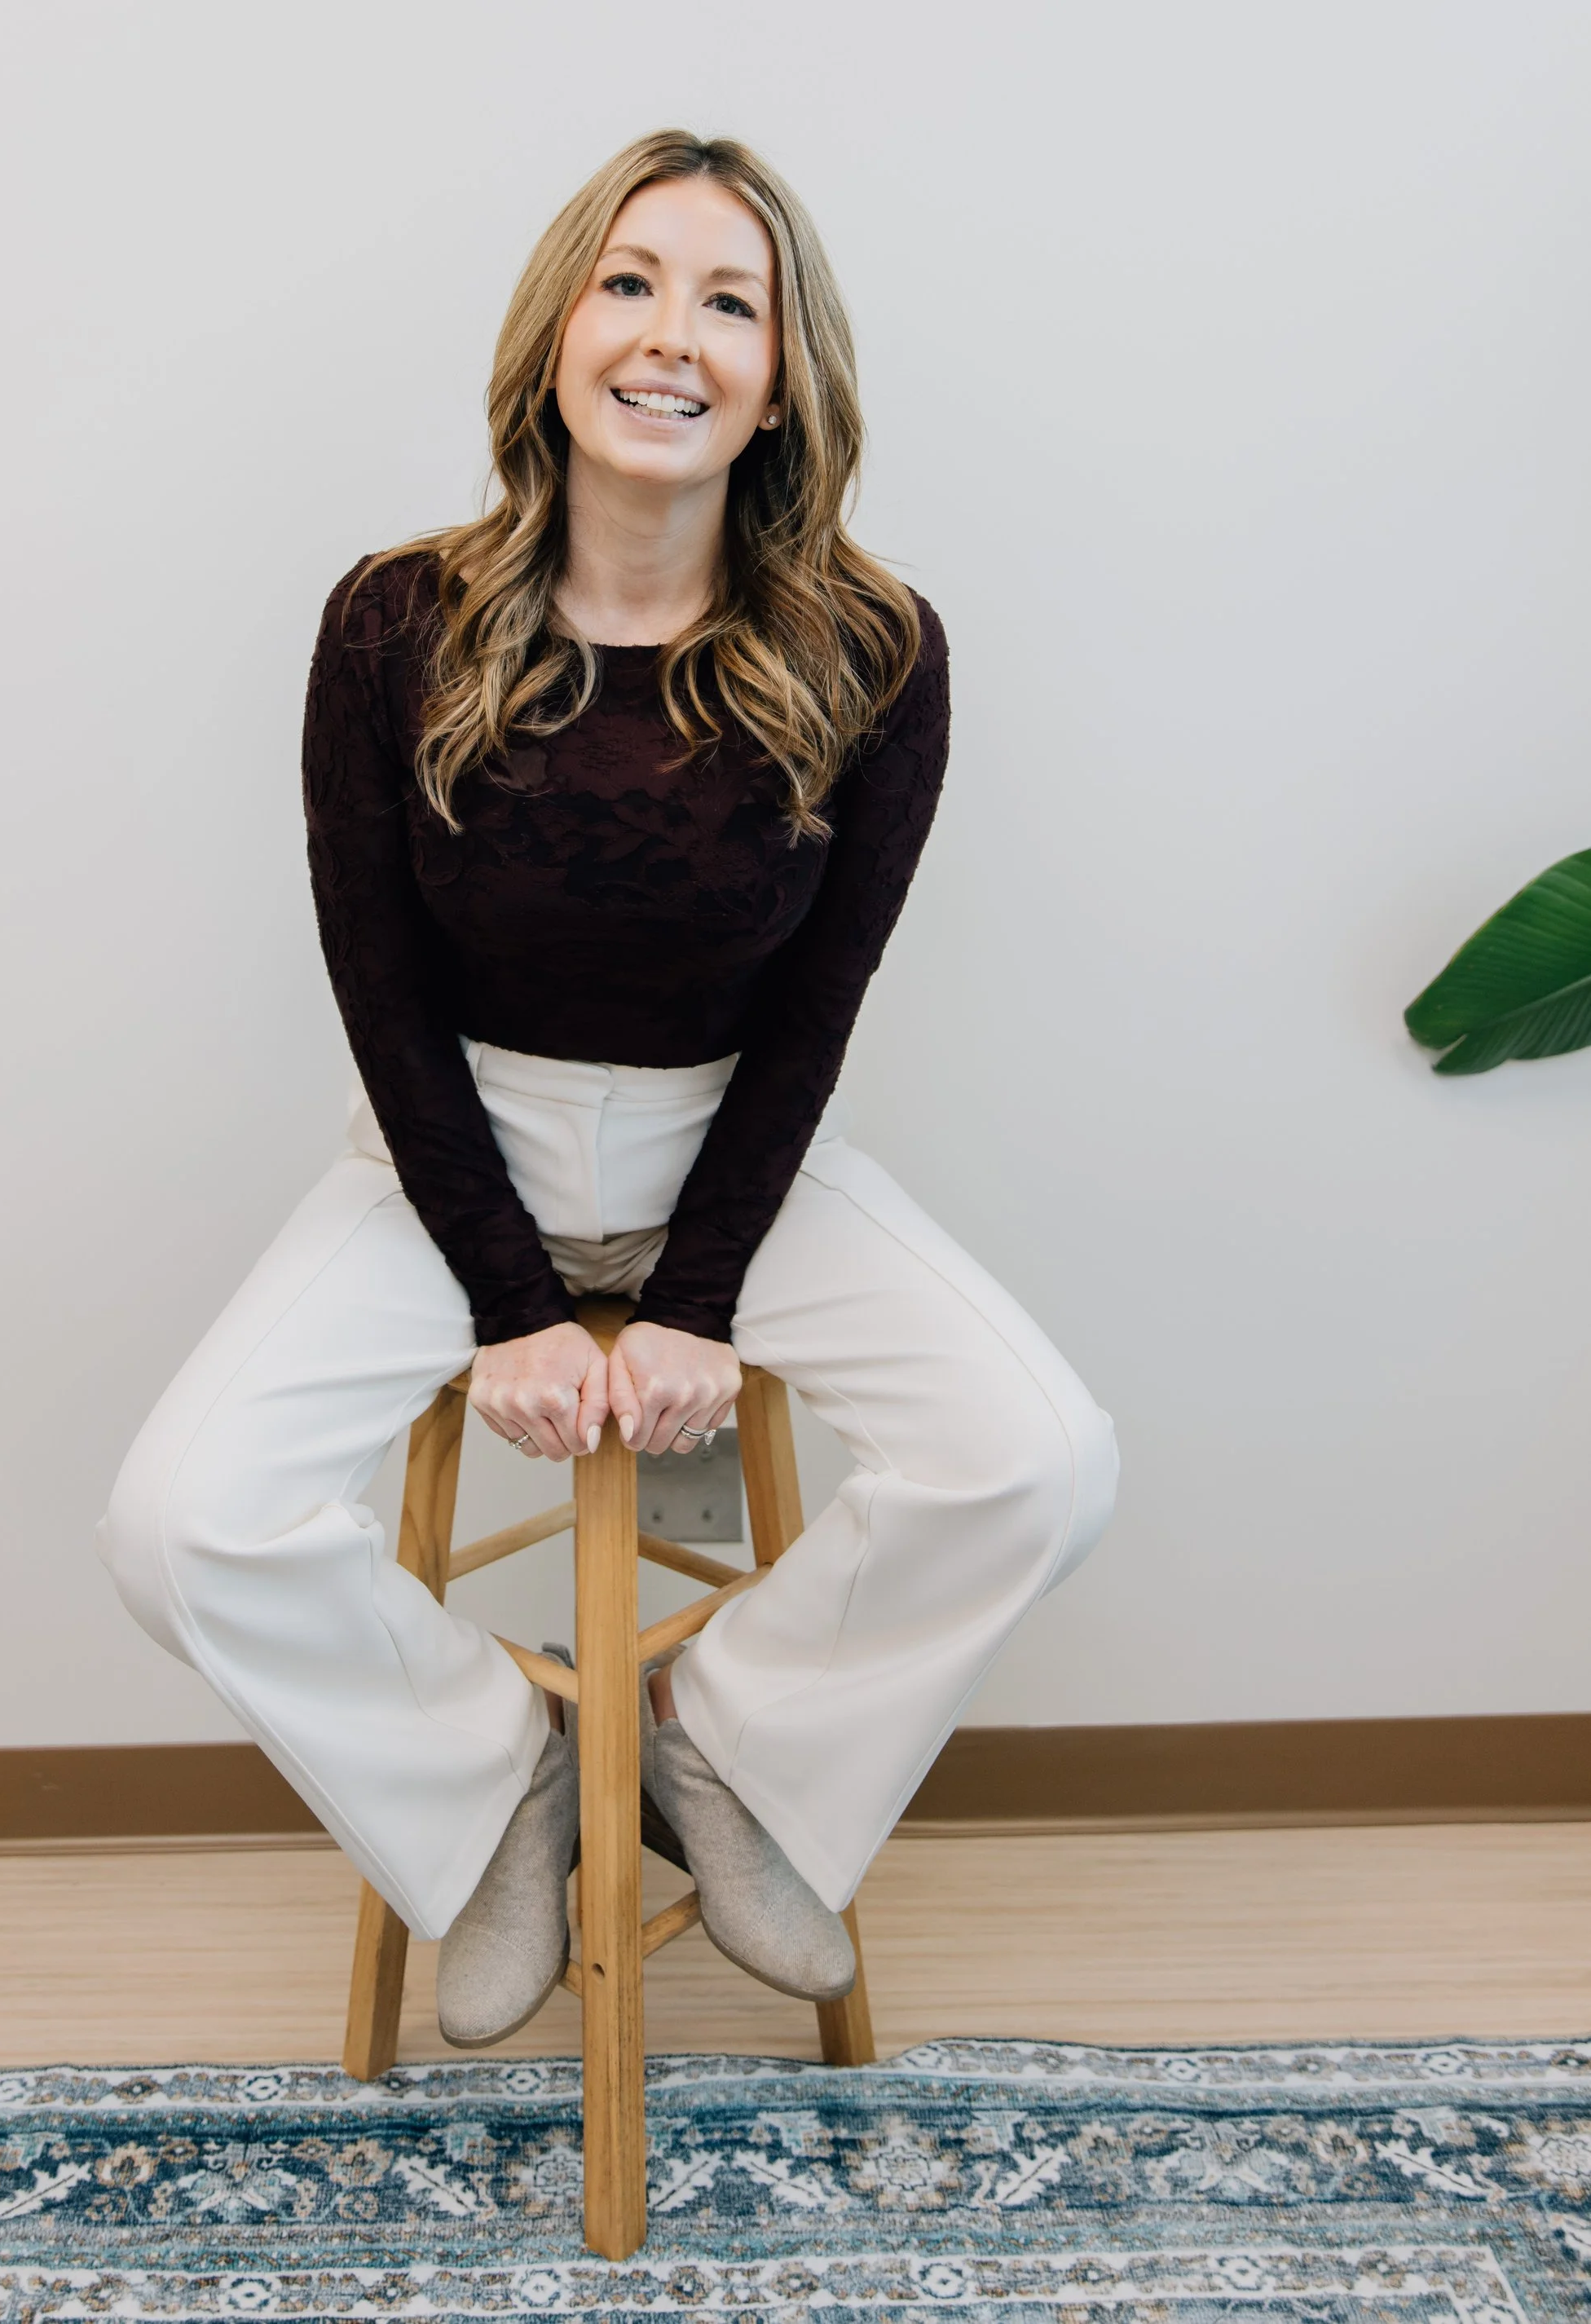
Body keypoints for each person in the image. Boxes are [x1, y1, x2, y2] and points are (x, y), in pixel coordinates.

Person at [97, 129, 1117, 2050]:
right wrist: (507, 1300)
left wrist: (697, 1300)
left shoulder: (875, 652)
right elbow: (377, 987)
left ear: (780, 379)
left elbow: (817, 1008)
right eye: (629, 283)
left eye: (729, 301)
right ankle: (503, 1781)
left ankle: (707, 1743)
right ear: (555, 333)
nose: (670, 336)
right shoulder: (391, 622)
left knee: (1043, 1458)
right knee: (174, 1522)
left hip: (731, 1146)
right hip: (447, 1151)